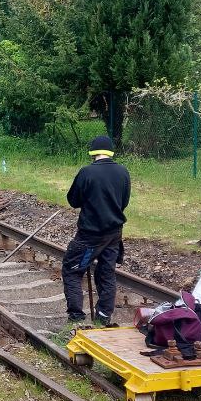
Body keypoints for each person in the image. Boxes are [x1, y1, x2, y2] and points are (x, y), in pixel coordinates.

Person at [62, 134, 130, 326]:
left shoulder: (86, 173)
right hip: (114, 234)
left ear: (93, 153)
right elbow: (123, 201)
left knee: (73, 270)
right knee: (107, 272)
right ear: (110, 152)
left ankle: (76, 317)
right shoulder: (123, 172)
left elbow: (73, 200)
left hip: (90, 236)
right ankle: (103, 316)